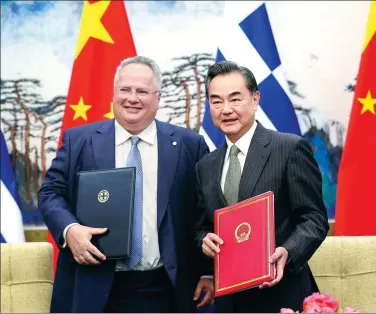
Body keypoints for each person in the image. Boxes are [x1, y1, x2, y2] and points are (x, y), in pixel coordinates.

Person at [38, 56, 214, 313]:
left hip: (167, 288)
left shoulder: (189, 144)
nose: (132, 98)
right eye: (125, 90)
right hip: (94, 285)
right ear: (114, 94)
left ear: (158, 97)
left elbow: (203, 211)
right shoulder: (80, 140)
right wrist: (70, 230)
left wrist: (208, 272)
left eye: (142, 91)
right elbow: (51, 192)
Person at [194, 61, 329, 313]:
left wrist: (288, 251)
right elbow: (202, 226)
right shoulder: (206, 165)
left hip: (283, 295)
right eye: (216, 101)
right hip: (229, 301)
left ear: (255, 99)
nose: (226, 109)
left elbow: (314, 218)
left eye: (235, 99)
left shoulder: (289, 149)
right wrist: (204, 240)